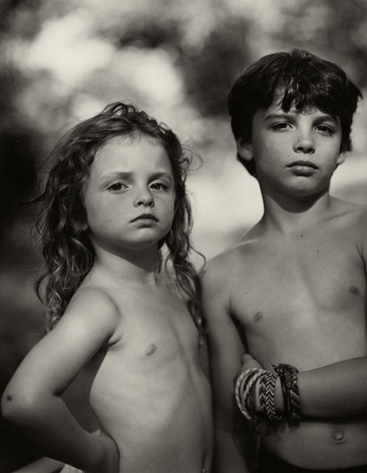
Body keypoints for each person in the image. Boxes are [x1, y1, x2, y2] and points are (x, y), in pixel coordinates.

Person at [202, 48, 367, 473]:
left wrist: (265, 392)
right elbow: (231, 427)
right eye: (282, 125)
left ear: (342, 149)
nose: (305, 142)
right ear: (245, 143)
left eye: (324, 127)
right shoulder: (222, 275)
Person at [1, 102, 212, 473]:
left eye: (158, 184)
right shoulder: (102, 304)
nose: (144, 197)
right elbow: (24, 398)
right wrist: (94, 456)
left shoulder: (174, 287)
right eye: (118, 185)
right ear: (78, 212)